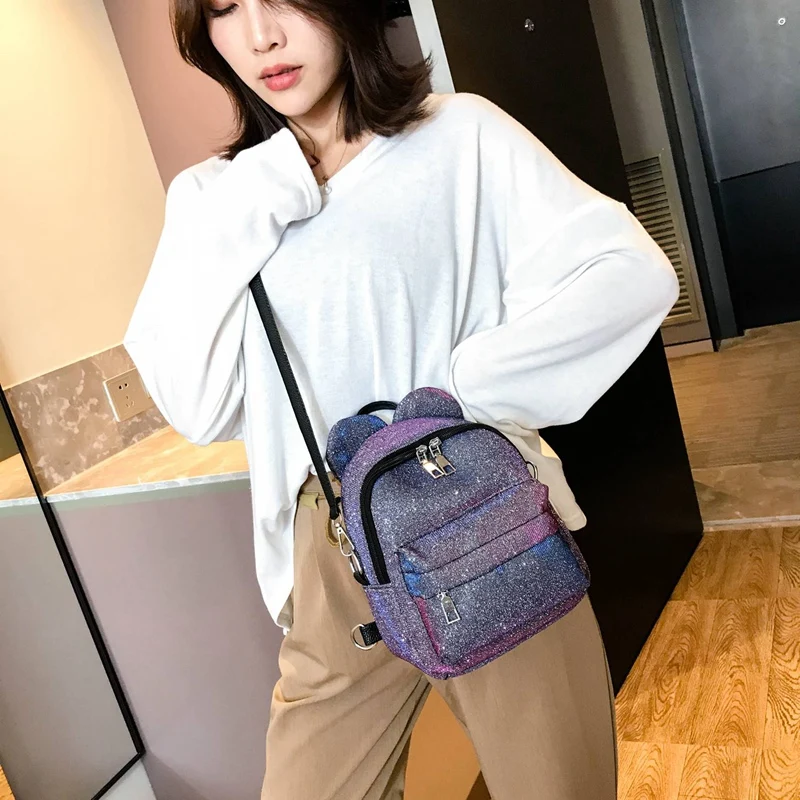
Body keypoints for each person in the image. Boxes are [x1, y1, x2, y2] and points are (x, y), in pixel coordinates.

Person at [124, 1, 679, 797]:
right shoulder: (214, 198)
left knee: (556, 784)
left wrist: (464, 390)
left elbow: (628, 274)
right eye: (224, 8)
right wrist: (263, 192)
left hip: (477, 522)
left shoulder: (459, 136)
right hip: (331, 553)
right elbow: (197, 404)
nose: (260, 35)